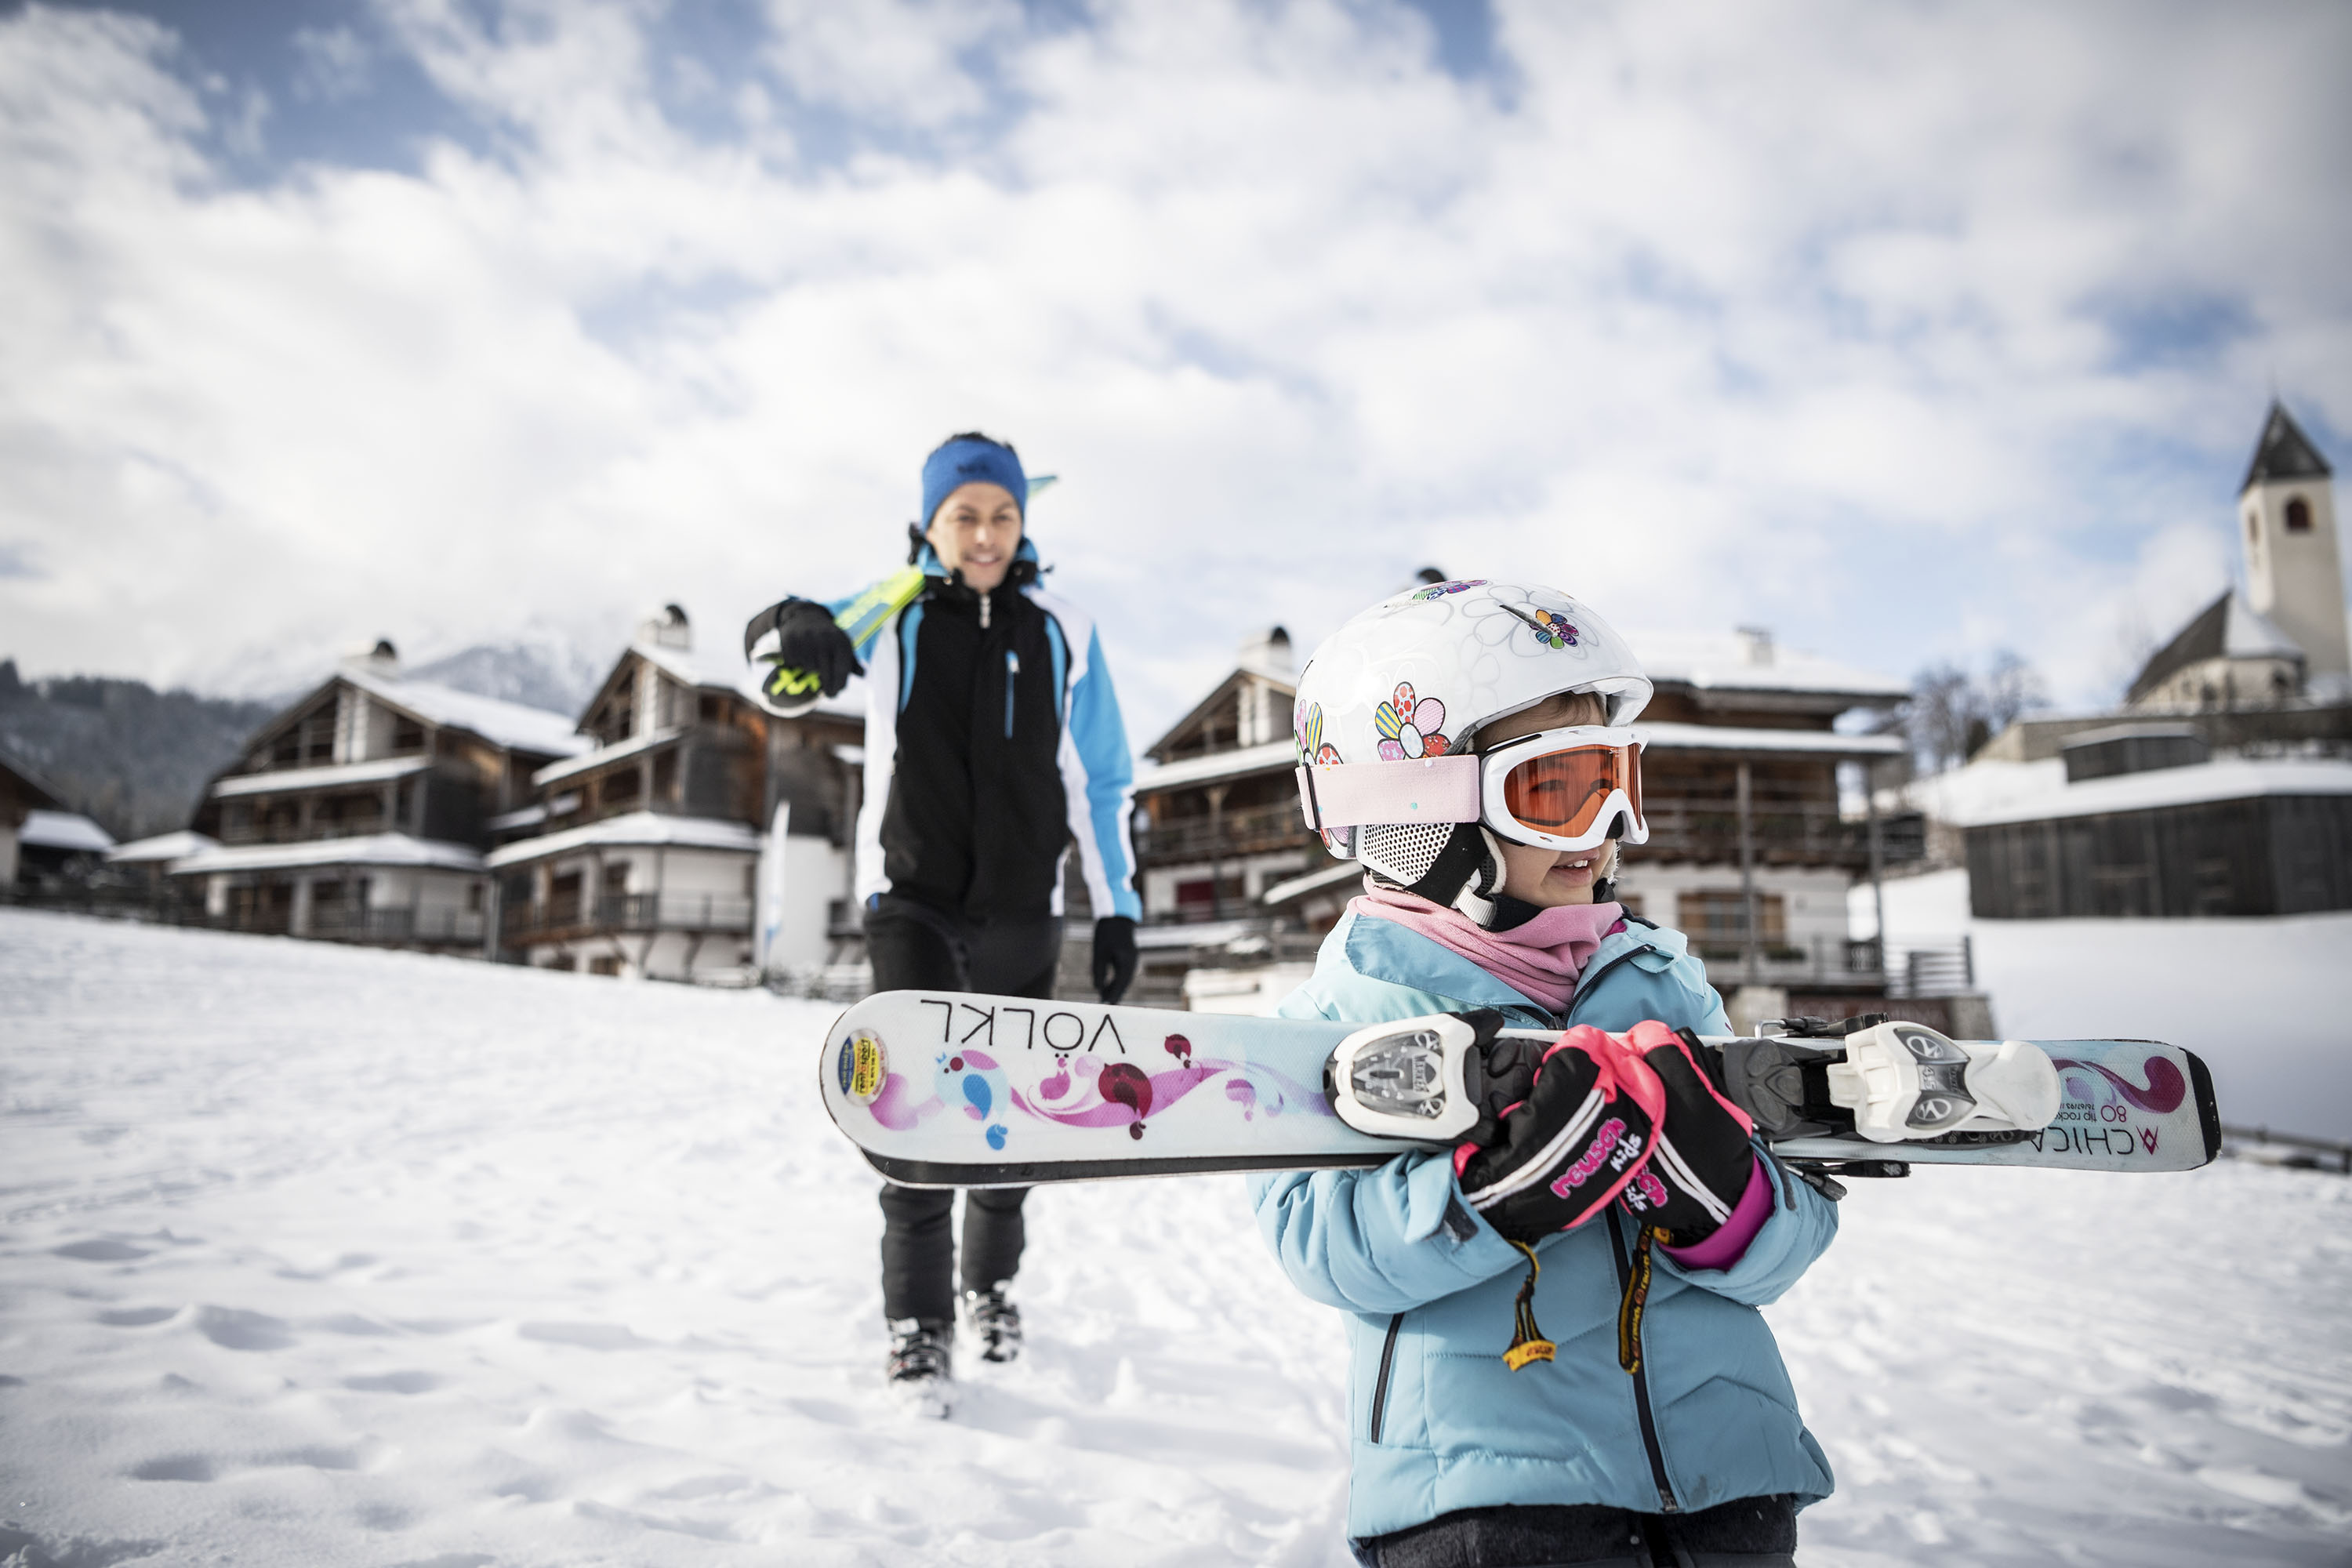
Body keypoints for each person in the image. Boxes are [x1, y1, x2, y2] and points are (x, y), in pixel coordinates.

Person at [1255, 580, 1838, 1567]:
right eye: (1558, 788)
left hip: (1729, 1484)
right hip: (1495, 1503)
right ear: (1422, 813)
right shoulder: (1358, 1002)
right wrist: (1491, 1198)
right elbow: (1318, 1241)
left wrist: (1729, 1205)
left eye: (1619, 779)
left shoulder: (1663, 984)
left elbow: (1793, 1236)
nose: (1609, 823)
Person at [746, 432, 1142, 1410]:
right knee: (916, 1120)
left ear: (1022, 520)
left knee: (1011, 1121)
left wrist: (1118, 908)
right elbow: (776, 663)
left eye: (1002, 514)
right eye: (964, 514)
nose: (985, 533)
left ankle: (991, 1292)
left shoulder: (1066, 627)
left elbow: (1104, 780)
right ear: (931, 522)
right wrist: (792, 622)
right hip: (911, 899)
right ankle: (917, 1326)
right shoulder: (892, 611)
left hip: (1024, 907)